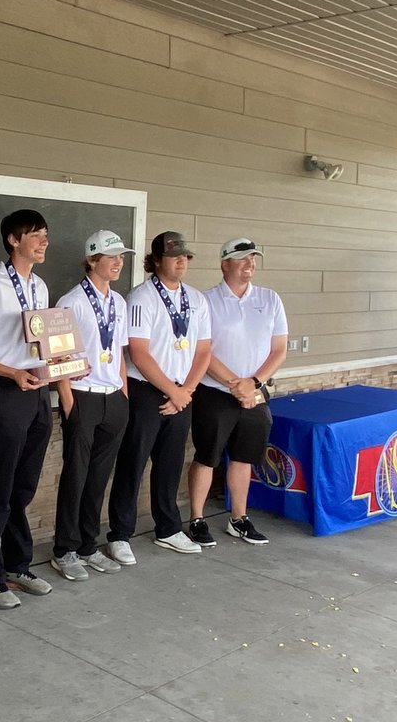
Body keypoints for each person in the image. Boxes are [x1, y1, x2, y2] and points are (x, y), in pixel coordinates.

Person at [106, 230, 211, 563]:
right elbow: (139, 352)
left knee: (170, 463)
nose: (182, 261)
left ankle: (168, 528)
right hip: (147, 391)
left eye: (186, 256)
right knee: (133, 463)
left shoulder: (197, 299)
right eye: (174, 255)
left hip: (183, 391)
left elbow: (204, 350)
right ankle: (119, 534)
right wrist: (173, 391)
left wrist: (186, 391)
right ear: (156, 261)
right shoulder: (141, 297)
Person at [0, 210, 55, 608]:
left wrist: (64, 363)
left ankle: (18, 564)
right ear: (12, 240)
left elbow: (44, 346)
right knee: (0, 486)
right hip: (8, 391)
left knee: (25, 484)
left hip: (38, 393)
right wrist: (13, 373)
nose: (43, 242)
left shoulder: (40, 287)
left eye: (45, 235)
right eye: (35, 235)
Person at [187, 237, 288, 548]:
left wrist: (253, 383)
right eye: (243, 258)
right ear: (224, 263)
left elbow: (279, 349)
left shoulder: (270, 299)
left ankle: (238, 518)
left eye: (253, 258)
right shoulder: (207, 301)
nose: (250, 264)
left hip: (254, 393)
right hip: (215, 392)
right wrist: (236, 384)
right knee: (207, 457)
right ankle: (196, 519)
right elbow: (201, 351)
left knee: (244, 458)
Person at [50, 230, 132, 580]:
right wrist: (68, 403)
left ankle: (88, 545)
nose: (118, 262)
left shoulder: (120, 302)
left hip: (113, 398)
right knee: (76, 475)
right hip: (82, 396)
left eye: (121, 257)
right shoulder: (70, 303)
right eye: (111, 256)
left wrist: (123, 395)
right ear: (92, 259)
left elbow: (121, 354)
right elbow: (57, 357)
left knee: (99, 477)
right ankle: (65, 550)